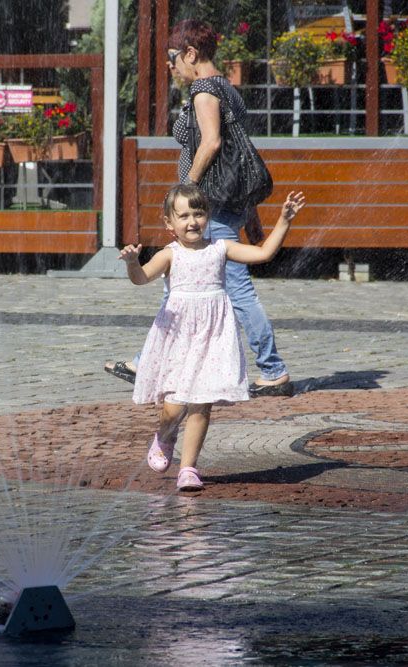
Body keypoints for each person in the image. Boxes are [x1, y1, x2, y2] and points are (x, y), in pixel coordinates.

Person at [106, 19, 294, 398]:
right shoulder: (227, 88)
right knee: (178, 283)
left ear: (191, 53)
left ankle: (273, 369)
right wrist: (251, 212)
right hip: (227, 204)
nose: (171, 66)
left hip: (211, 206)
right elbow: (238, 155)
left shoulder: (204, 91)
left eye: (173, 58)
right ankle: (149, 361)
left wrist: (184, 191)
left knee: (236, 290)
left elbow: (211, 144)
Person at [123, 184, 305, 491]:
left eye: (199, 213)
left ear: (208, 216)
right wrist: (131, 263)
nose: (192, 221)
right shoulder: (170, 255)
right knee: (174, 406)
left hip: (214, 335)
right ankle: (165, 435)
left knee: (202, 402)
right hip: (179, 337)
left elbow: (263, 253)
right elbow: (141, 279)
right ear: (169, 223)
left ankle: (188, 468)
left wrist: (284, 220)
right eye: (183, 216)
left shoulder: (220, 248)